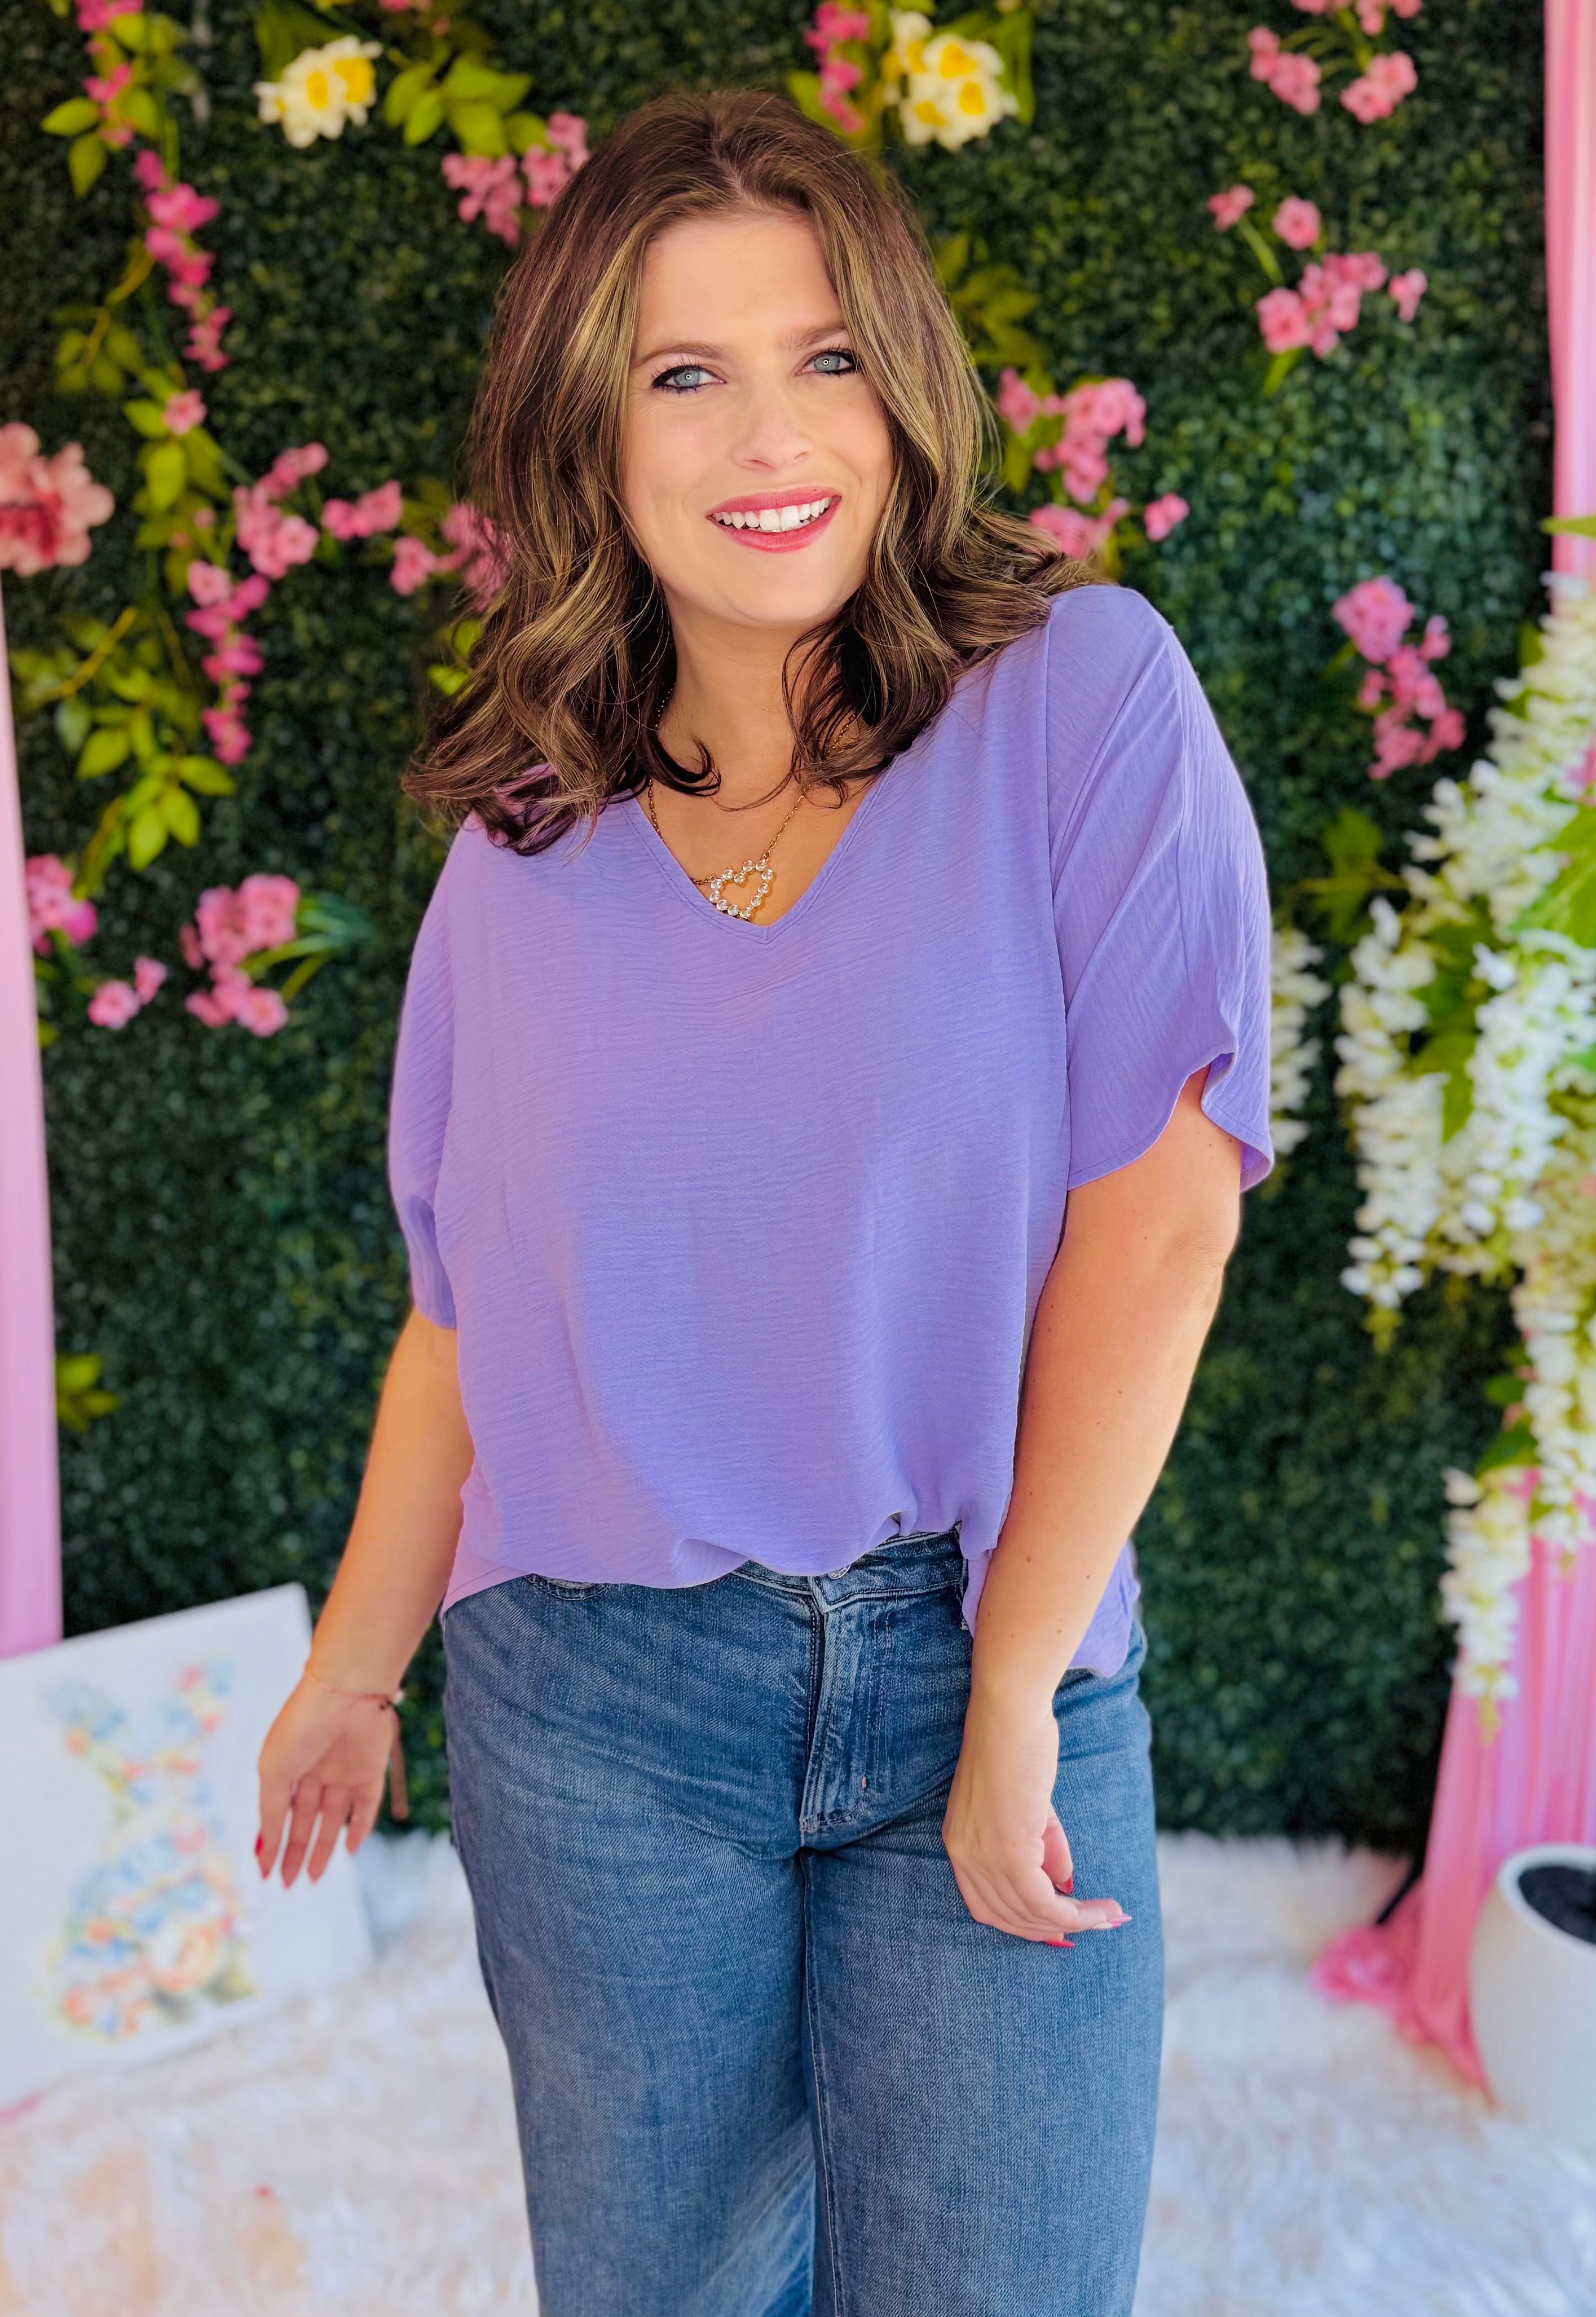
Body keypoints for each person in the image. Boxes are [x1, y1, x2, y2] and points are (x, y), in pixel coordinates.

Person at [255, 87, 1273, 2317]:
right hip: (596, 1709)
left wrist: (1014, 1690)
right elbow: (464, 1316)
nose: (770, 435)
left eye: (822, 356)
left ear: (901, 384)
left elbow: (1163, 1229)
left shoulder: (1080, 706)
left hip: (981, 1654)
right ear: (593, 438)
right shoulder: (522, 845)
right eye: (684, 376)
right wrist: (352, 1669)